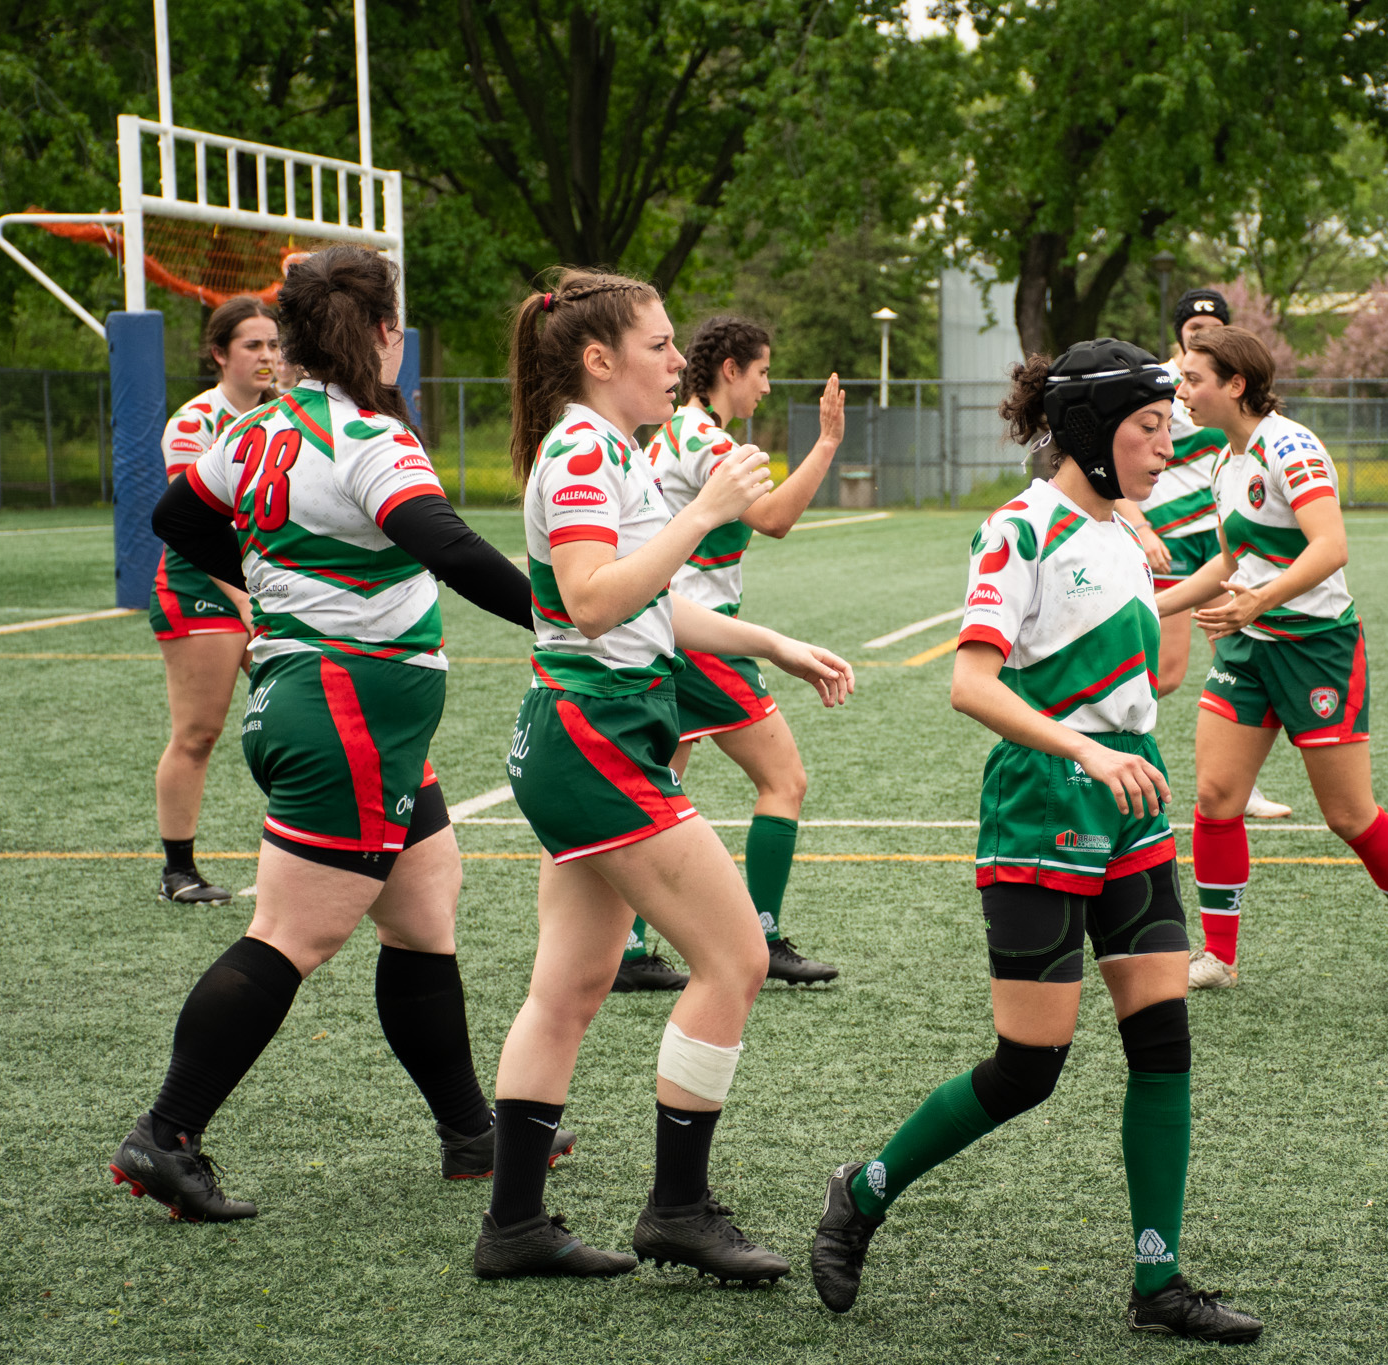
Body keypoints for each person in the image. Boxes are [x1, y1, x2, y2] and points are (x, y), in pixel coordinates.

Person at [809, 339, 1263, 1345]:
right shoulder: (1017, 530)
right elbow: (972, 682)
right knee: (1028, 1067)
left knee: (1162, 1044)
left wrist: (1212, 596)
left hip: (1132, 817)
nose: (1164, 443)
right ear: (1095, 432)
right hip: (1039, 815)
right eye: (1147, 427)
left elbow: (1114, 625)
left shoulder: (1120, 530)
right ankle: (864, 1191)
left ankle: (1157, 1285)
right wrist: (1087, 751)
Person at [112, 247, 563, 1222]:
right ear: (380, 336)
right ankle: (166, 1134)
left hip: (341, 711)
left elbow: (172, 515)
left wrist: (276, 583)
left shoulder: (258, 430)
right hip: (344, 713)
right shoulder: (369, 439)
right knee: (289, 936)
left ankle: (468, 1134)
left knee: (423, 910)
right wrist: (560, 617)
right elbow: (440, 542)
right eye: (396, 328)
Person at [471, 269, 854, 1285]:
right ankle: (676, 1208)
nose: (676, 360)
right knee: (735, 961)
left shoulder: (611, 451)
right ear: (598, 360)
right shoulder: (585, 457)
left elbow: (649, 607)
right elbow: (595, 602)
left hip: (588, 732)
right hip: (594, 735)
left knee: (570, 985)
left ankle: (513, 1225)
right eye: (658, 344)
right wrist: (704, 515)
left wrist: (770, 640)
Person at [1156, 326, 1388, 994]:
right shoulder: (1223, 463)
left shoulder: (1289, 444)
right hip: (1249, 645)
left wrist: (1257, 602)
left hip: (1317, 649)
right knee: (1214, 795)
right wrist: (1155, 607)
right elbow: (1232, 559)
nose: (1183, 394)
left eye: (1193, 380)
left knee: (1349, 814)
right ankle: (1218, 954)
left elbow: (1330, 546)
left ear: (1236, 383)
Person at [637, 315, 847, 987]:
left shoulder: (669, 434)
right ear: (730, 368)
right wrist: (828, 442)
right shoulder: (703, 437)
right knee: (784, 779)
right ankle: (765, 935)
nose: (765, 386)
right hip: (700, 635)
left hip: (665, 627)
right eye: (760, 371)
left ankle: (625, 950)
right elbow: (776, 518)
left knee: (654, 791)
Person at [1117, 289, 1292, 822]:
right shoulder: (1159, 384)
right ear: (1178, 331)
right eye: (1192, 323)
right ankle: (1099, 745)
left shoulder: (1227, 393)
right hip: (1169, 546)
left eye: (1212, 322)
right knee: (1167, 674)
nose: (1200, 329)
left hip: (1220, 541)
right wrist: (1143, 528)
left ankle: (1242, 785)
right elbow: (1112, 457)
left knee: (1239, 660)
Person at [148, 297, 280, 904]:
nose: (268, 356)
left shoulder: (280, 415)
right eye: (253, 345)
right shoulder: (194, 423)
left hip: (260, 584)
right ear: (219, 354)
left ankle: (315, 847)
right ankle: (178, 869)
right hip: (201, 584)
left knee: (304, 707)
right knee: (199, 732)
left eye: (274, 345)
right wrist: (250, 600)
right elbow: (201, 530)